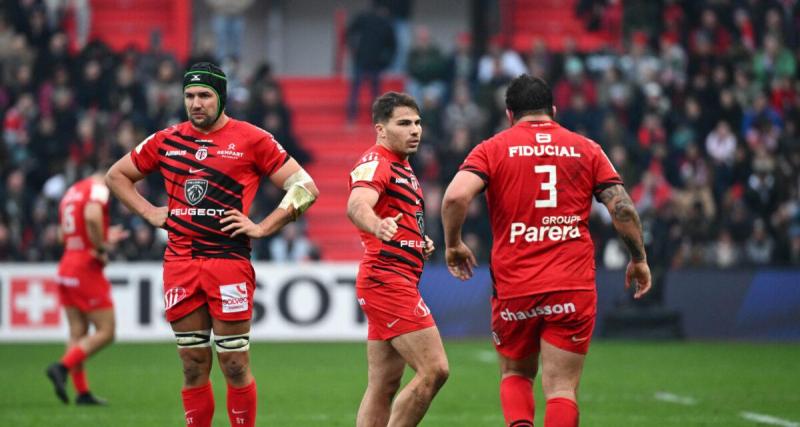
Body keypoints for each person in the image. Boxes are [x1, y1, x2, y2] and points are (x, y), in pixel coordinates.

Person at [105, 62, 319, 427]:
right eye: (189, 95)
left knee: (234, 363)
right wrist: (149, 212)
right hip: (181, 262)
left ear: (221, 97)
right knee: (192, 364)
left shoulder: (253, 139)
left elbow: (305, 187)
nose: (196, 103)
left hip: (228, 261)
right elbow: (117, 175)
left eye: (204, 95)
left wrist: (265, 226)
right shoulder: (166, 140)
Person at [441, 74, 651, 427]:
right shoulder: (587, 148)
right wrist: (639, 258)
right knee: (562, 388)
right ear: (553, 110)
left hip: (516, 285)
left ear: (510, 114)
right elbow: (624, 209)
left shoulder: (492, 148)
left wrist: (453, 245)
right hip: (572, 284)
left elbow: (455, 197)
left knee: (516, 374)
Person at [347, 92, 448, 426]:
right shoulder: (376, 162)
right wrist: (377, 225)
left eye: (417, 122)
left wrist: (418, 241)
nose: (415, 130)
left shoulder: (402, 166)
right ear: (381, 129)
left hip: (395, 276)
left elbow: (397, 215)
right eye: (404, 123)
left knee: (383, 385)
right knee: (434, 370)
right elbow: (358, 204)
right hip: (386, 279)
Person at [46, 169, 129, 405]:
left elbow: (64, 235)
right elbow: (92, 216)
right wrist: (101, 249)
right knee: (106, 331)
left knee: (77, 331)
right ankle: (61, 367)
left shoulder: (72, 192)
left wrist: (102, 236)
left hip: (66, 266)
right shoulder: (99, 187)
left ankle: (82, 393)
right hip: (85, 268)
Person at [346, 2, 396, 123]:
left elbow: (392, 45)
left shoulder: (381, 22)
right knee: (365, 92)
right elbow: (393, 45)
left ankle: (356, 118)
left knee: (366, 92)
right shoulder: (371, 20)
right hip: (366, 61)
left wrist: (385, 62)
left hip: (368, 62)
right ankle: (358, 117)